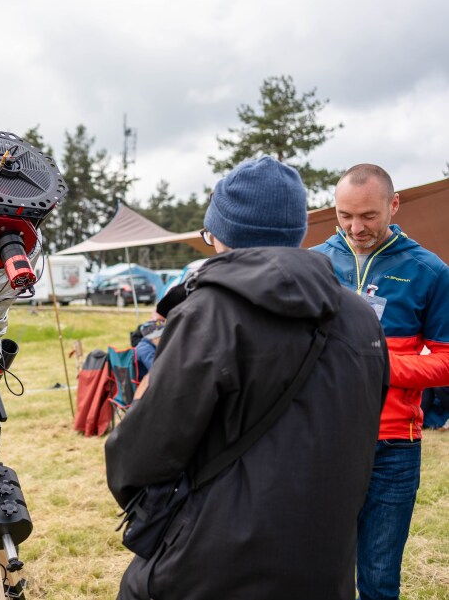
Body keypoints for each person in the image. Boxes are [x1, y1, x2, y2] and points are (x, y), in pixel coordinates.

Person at [105, 156, 388, 600]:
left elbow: (141, 454)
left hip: (212, 564)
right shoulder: (360, 316)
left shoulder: (209, 313)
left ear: (220, 234)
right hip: (324, 563)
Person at [312, 163, 449, 600]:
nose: (355, 227)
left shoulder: (430, 271)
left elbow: (446, 361)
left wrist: (380, 364)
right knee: (316, 573)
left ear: (393, 204)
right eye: (344, 215)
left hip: (393, 446)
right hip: (320, 439)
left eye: (368, 216)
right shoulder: (313, 263)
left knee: (378, 578)